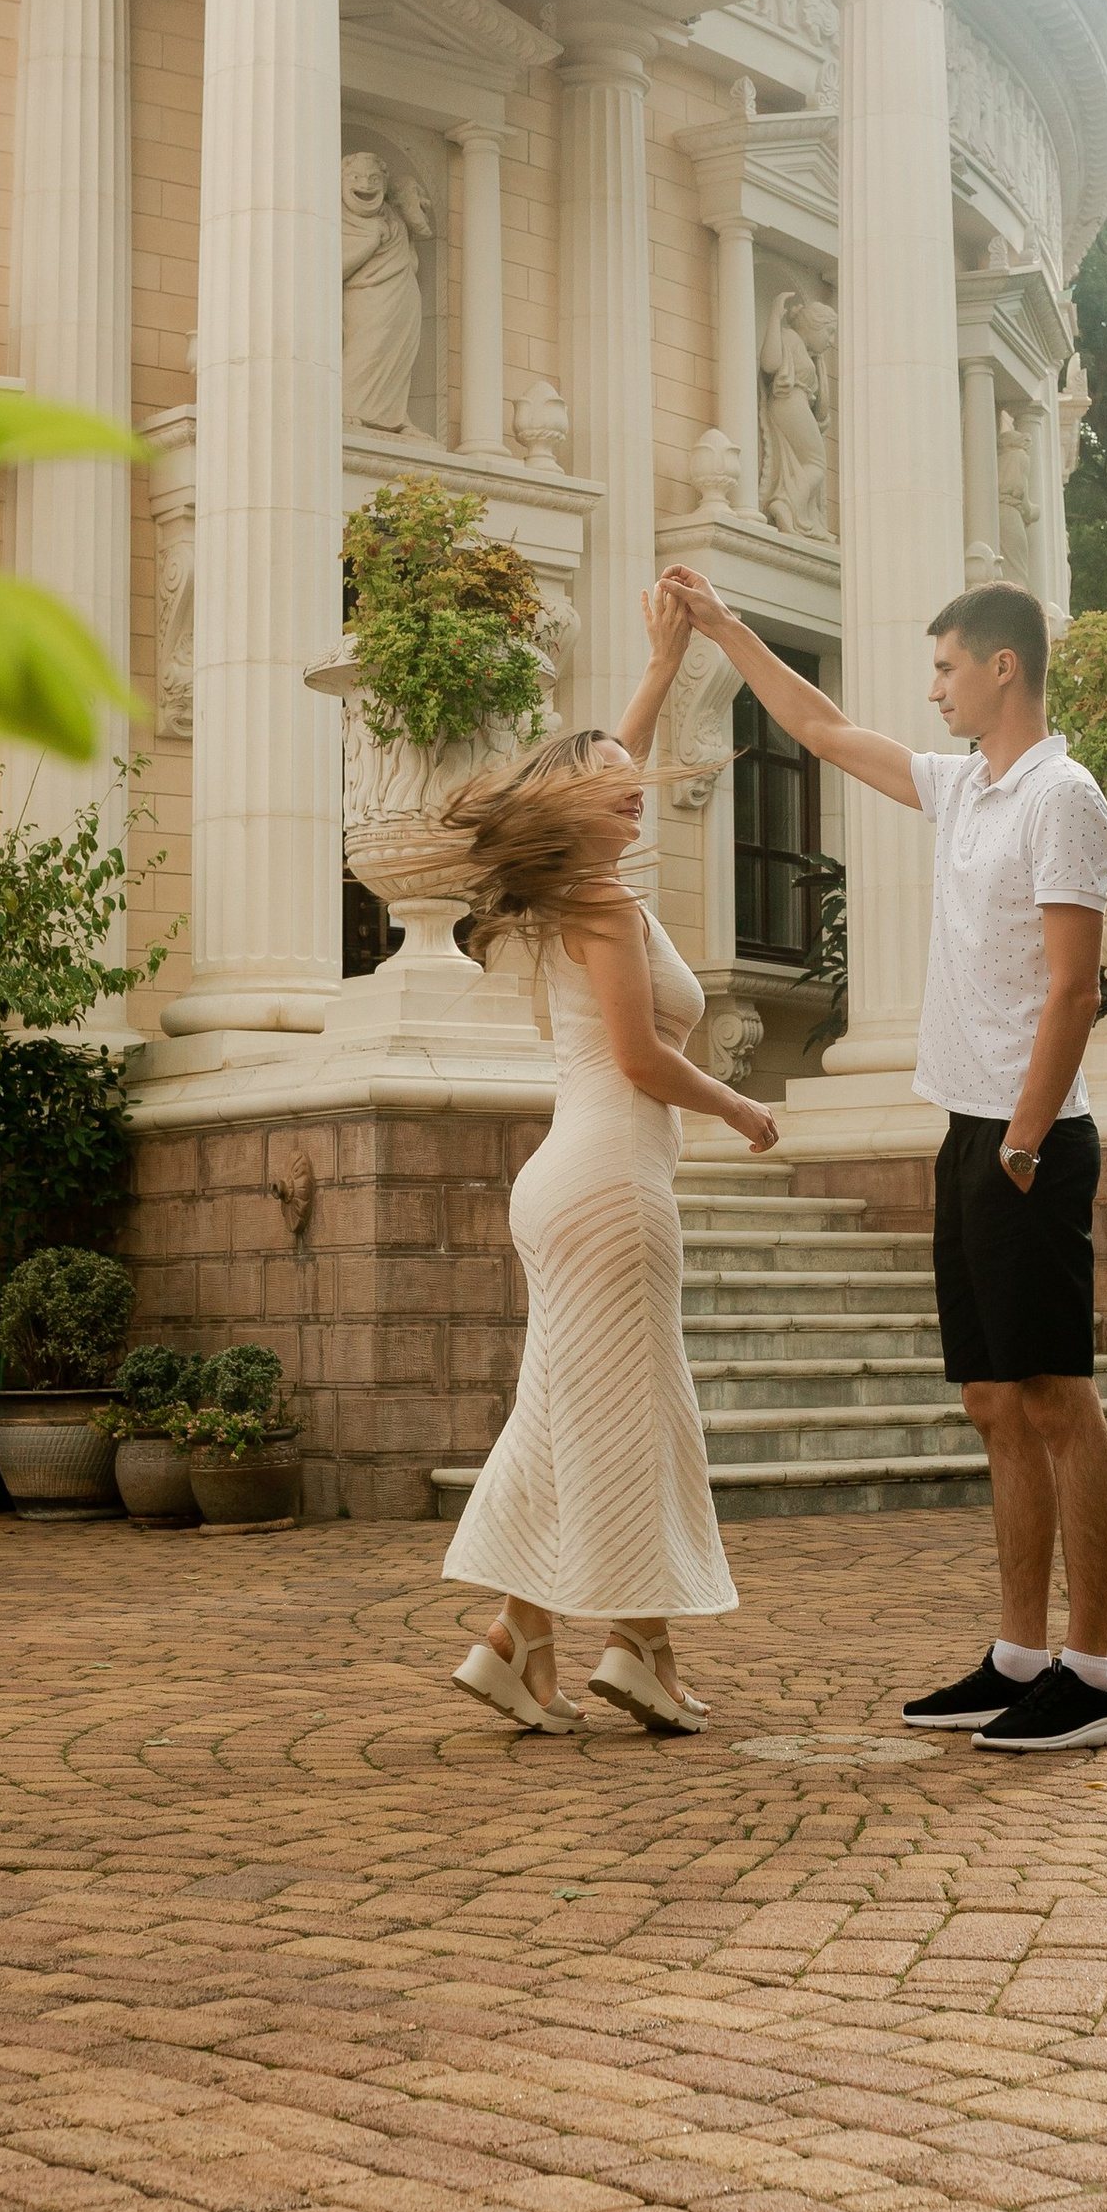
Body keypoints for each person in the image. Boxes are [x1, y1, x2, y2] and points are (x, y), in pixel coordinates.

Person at [662, 565, 1107, 1751]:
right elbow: (822, 730)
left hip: (1030, 1140)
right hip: (968, 1131)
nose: (932, 689)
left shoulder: (1062, 798)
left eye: (944, 667)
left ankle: (1092, 1675)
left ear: (1001, 668)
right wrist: (724, 625)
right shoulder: (968, 787)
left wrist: (1023, 1138)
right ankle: (1019, 1656)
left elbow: (1074, 989)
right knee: (990, 1399)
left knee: (1056, 1396)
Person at [436, 586, 778, 1736]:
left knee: (567, 1411)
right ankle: (638, 1647)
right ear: (577, 809)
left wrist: (663, 661)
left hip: (574, 1181)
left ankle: (519, 1640)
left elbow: (608, 763)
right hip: (609, 1185)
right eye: (610, 781)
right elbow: (640, 1057)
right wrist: (740, 1106)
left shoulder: (574, 888)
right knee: (630, 1415)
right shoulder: (605, 906)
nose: (634, 782)